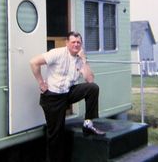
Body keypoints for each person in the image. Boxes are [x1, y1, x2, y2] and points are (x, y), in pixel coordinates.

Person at [30, 31, 105, 162]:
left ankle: (88, 123)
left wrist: (84, 59)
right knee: (56, 134)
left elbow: (90, 79)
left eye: (78, 42)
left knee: (93, 88)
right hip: (53, 98)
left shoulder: (79, 59)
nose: (76, 45)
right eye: (73, 42)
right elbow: (34, 62)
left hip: (67, 93)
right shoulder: (57, 53)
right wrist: (41, 82)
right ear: (67, 43)